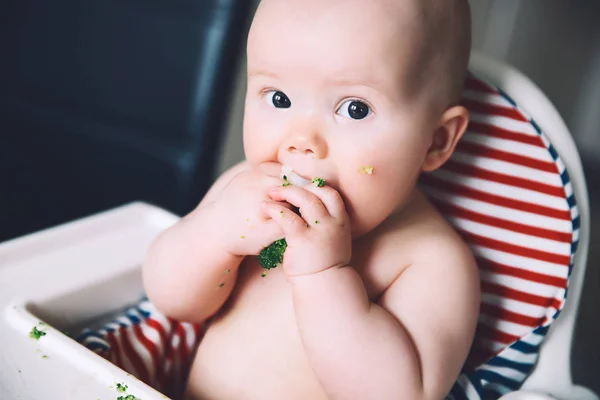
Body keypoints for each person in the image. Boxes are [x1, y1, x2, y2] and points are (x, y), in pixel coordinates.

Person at [143, 0, 480, 398]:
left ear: (435, 141)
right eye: (278, 98)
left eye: (355, 108)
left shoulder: (429, 262)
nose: (302, 141)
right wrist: (213, 235)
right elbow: (173, 303)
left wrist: (324, 277)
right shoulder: (244, 193)